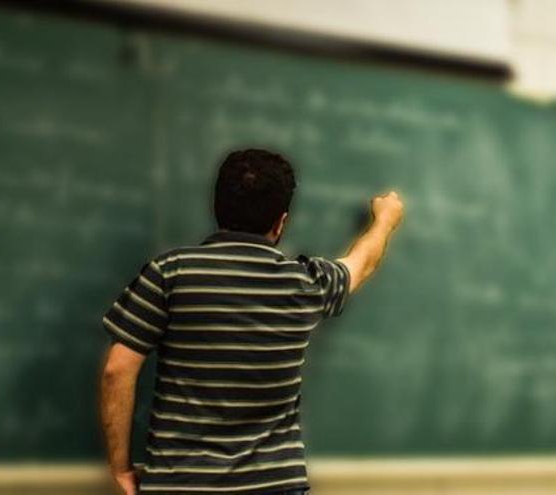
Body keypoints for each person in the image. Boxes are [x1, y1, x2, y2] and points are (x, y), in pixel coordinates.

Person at [99, 149, 404, 495]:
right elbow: (361, 262)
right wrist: (386, 219)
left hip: (181, 484)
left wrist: (120, 467)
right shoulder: (305, 283)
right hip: (274, 486)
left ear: (216, 207)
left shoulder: (170, 273)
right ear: (280, 222)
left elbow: (117, 369)